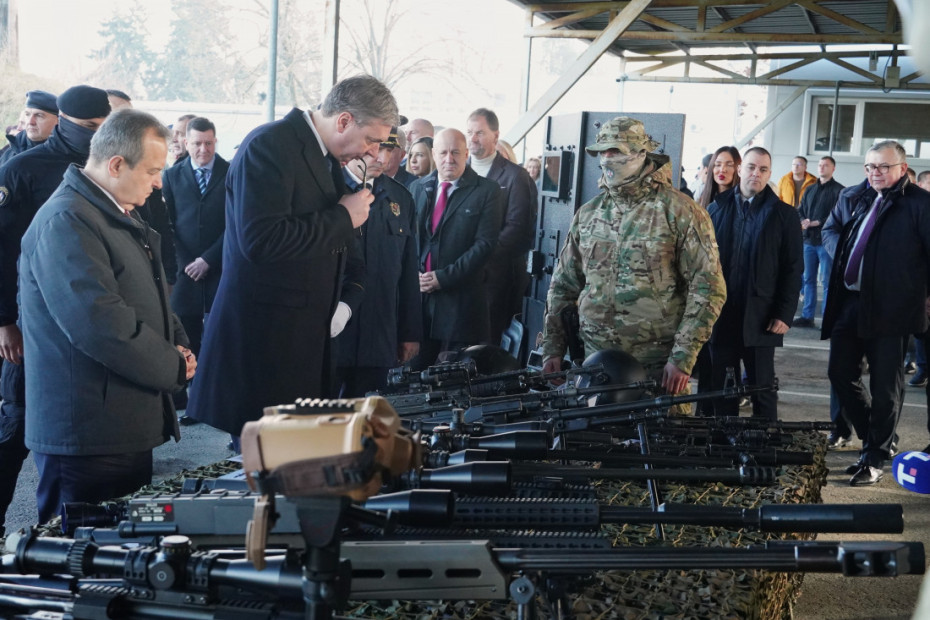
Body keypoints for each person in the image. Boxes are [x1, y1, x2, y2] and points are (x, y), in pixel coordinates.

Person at [187, 75, 398, 444]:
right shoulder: (270, 145)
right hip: (265, 351)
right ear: (344, 121)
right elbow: (260, 240)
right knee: (265, 466)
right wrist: (343, 217)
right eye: (371, 139)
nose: (373, 153)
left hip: (299, 346)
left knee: (295, 463)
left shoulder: (322, 155)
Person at [18, 109, 196, 523]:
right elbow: (99, 325)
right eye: (152, 171)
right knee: (81, 553)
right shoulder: (68, 219)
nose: (158, 182)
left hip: (116, 423)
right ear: (116, 165)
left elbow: (147, 294)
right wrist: (172, 364)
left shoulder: (108, 211)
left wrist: (178, 343)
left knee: (122, 549)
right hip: (87, 434)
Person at [540, 117, 726, 400]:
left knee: (657, 429)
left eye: (615, 150)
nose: (607, 157)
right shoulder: (589, 214)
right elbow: (563, 285)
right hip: (594, 365)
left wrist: (682, 357)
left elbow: (708, 289)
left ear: (641, 153)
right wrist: (553, 348)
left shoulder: (681, 212)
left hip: (656, 368)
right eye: (602, 151)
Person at [0, 85, 110, 532]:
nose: (95, 135)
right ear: (63, 121)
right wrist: (4, 321)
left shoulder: (108, 167)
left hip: (85, 317)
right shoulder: (22, 169)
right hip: (28, 320)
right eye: (88, 128)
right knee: (16, 426)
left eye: (102, 127)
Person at [821, 140, 930, 485]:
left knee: (886, 386)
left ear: (902, 168)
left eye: (883, 166)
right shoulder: (861, 197)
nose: (875, 172)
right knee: (840, 372)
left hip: (893, 306)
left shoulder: (920, 204)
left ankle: (874, 458)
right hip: (852, 301)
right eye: (870, 166)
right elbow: (835, 232)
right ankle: (877, 439)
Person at [707, 146, 803, 421]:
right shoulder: (716, 209)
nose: (756, 174)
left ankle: (766, 439)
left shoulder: (784, 215)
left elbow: (793, 268)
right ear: (740, 170)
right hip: (722, 313)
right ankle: (723, 439)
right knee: (722, 388)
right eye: (751, 167)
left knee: (762, 387)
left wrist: (784, 313)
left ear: (769, 174)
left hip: (762, 316)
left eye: (763, 169)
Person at [334, 139, 421, 396]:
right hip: (334, 335)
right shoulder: (328, 190)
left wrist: (409, 332)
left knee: (369, 415)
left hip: (379, 335)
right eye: (375, 149)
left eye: (388, 150)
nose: (382, 159)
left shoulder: (400, 198)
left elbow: (408, 272)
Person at [410, 128, 501, 367]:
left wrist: (443, 278)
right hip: (420, 303)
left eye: (455, 152)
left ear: (466, 153)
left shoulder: (487, 191)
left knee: (455, 377)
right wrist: (413, 276)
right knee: (414, 374)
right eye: (443, 153)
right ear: (434, 154)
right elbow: (407, 240)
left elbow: (485, 245)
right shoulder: (417, 188)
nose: (449, 159)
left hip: (461, 305)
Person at [466, 108, 538, 345]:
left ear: (495, 136)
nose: (473, 138)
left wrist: (475, 257)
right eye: (469, 132)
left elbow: (517, 230)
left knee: (486, 345)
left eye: (480, 133)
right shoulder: (458, 172)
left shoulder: (516, 177)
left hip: (496, 279)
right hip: (457, 277)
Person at [794, 156, 844, 328]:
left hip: (826, 243)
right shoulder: (810, 189)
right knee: (808, 279)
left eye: (826, 165)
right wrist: (803, 221)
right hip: (808, 241)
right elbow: (800, 209)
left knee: (828, 281)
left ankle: (827, 318)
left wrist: (818, 222)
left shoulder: (839, 191)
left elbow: (839, 215)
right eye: (820, 165)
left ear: (833, 168)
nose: (822, 167)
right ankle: (807, 316)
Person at [0, 90, 58, 166]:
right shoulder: (13, 147)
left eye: (39, 115)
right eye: (27, 114)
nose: (30, 122)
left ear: (58, 121)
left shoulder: (62, 157)